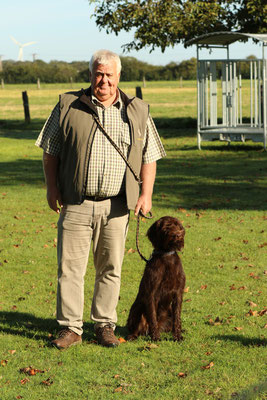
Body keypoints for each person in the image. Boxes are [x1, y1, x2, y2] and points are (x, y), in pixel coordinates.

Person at [35, 49, 166, 349]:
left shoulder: (137, 110)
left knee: (110, 268)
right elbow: (50, 150)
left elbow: (150, 157)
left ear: (119, 76)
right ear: (91, 75)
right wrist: (51, 188)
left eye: (109, 74)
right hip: (76, 202)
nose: (103, 80)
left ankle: (105, 325)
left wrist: (145, 194)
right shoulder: (68, 105)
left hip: (117, 205)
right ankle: (70, 328)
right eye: (98, 73)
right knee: (70, 268)